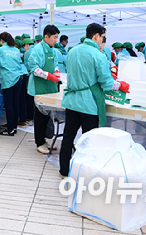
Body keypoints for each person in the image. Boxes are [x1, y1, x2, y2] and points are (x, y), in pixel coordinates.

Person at [59, 23, 130, 177]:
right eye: (103, 37)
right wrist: (120, 85)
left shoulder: (72, 51)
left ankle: (64, 169)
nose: (103, 41)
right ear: (96, 36)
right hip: (88, 103)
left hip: (72, 101)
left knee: (68, 136)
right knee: (89, 141)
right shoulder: (98, 55)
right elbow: (106, 83)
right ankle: (86, 172)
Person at [27, 25, 62, 154]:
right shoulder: (37, 50)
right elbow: (34, 69)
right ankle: (39, 142)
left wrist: (57, 73)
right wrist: (48, 75)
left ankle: (45, 140)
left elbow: (56, 64)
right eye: (54, 37)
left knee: (48, 116)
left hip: (50, 87)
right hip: (39, 87)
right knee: (40, 116)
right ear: (46, 37)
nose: (55, 40)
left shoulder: (53, 50)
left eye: (57, 37)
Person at [0, 32, 23, 136]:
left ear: (1, 40)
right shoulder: (16, 50)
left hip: (8, 79)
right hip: (18, 78)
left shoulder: (0, 50)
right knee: (15, 104)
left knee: (8, 105)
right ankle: (14, 127)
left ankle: (10, 129)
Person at [21, 38, 36, 126]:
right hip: (40, 76)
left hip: (31, 76)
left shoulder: (28, 53)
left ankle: (29, 118)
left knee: (29, 98)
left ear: (26, 45)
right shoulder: (38, 49)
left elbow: (27, 67)